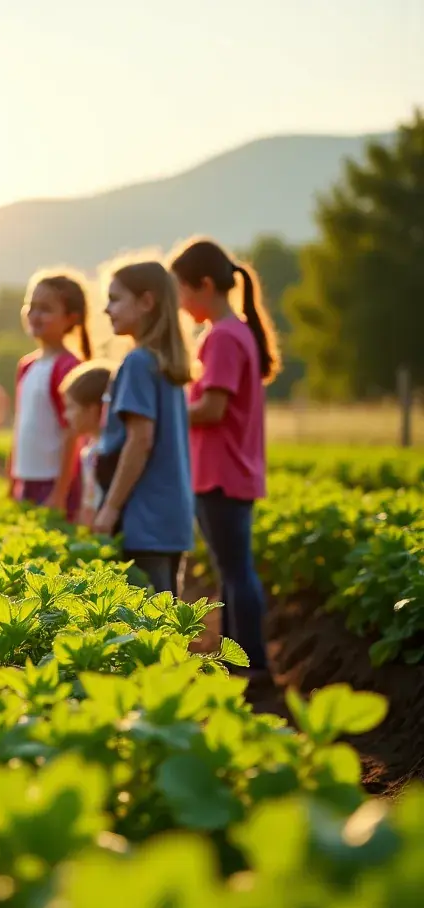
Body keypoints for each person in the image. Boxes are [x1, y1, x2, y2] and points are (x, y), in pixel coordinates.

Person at [172, 238, 282, 680]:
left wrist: (168, 411)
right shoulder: (233, 332)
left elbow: (212, 409)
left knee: (236, 573)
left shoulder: (221, 337)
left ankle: (250, 662)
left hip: (222, 472)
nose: (180, 303)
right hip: (230, 469)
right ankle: (240, 658)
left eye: (181, 292)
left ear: (203, 285)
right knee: (232, 571)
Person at [93, 262, 193, 597]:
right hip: (171, 517)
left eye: (115, 299)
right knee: (168, 615)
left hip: (143, 518)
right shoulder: (166, 364)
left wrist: (110, 508)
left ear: (146, 302)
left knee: (148, 620)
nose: (106, 309)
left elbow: (140, 440)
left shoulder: (138, 363)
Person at [7, 270, 93, 517]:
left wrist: (59, 493)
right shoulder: (27, 366)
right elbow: (20, 425)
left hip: (54, 481)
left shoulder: (67, 366)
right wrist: (12, 482)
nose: (34, 315)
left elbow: (72, 433)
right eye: (31, 306)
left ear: (70, 318)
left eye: (45, 309)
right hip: (27, 479)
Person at [58, 361, 114, 528]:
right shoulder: (90, 450)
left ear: (93, 410)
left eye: (70, 408)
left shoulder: (105, 453)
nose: (66, 415)